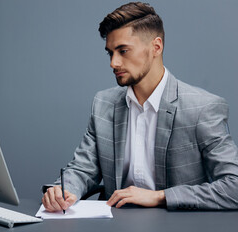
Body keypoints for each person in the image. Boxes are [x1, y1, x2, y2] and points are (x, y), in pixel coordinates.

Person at [42, 2, 238, 211]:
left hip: (177, 227)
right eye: (110, 53)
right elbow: (82, 169)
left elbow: (234, 186)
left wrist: (160, 196)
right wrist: (62, 190)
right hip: (114, 226)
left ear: (156, 47)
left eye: (123, 51)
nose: (113, 63)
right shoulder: (103, 104)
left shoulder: (202, 108)